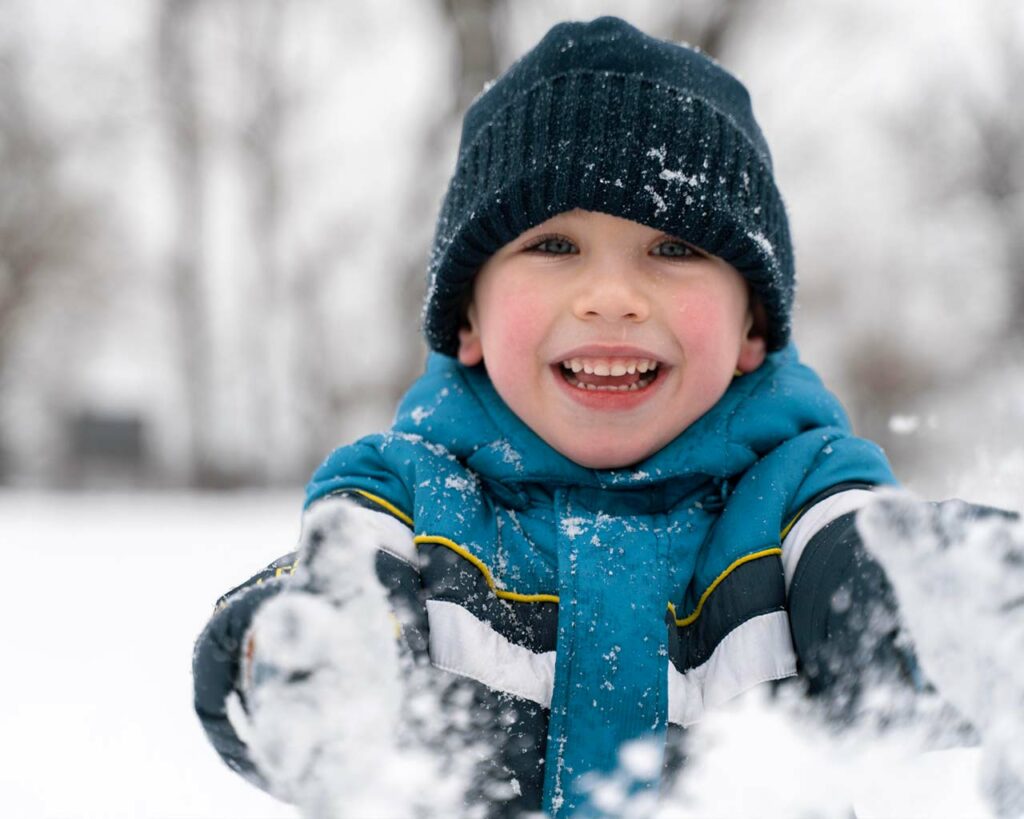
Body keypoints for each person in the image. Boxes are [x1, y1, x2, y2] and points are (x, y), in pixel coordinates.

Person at [192, 16, 969, 817]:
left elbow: (882, 587)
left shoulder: (803, 495)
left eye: (672, 249)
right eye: (555, 246)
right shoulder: (407, 495)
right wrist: (305, 659)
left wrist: (968, 610)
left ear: (752, 328)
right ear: (467, 319)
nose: (611, 296)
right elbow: (334, 598)